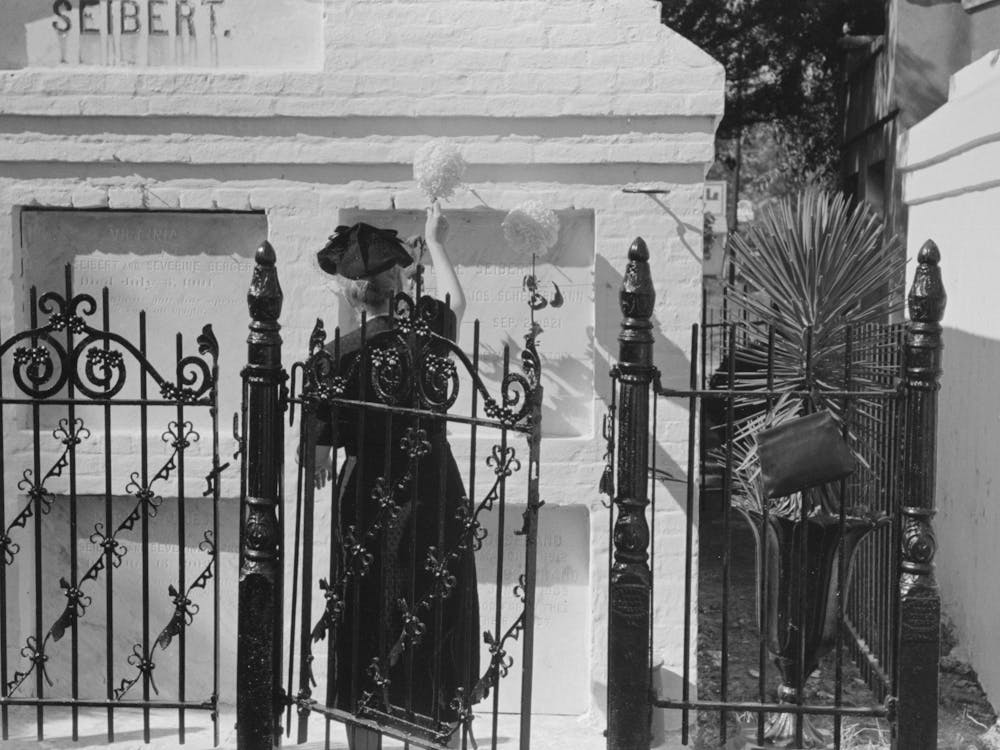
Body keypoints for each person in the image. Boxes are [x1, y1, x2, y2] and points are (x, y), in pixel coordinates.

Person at [313, 203, 479, 750]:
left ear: (349, 292)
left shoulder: (334, 358)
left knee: (366, 623)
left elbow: (317, 450)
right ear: (399, 281)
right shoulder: (426, 332)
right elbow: (457, 299)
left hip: (367, 497)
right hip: (431, 487)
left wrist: (312, 445)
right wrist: (435, 240)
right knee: (434, 616)